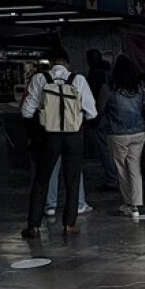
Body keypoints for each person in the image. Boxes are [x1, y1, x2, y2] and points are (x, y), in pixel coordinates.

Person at [20, 47, 97, 238]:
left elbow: (26, 112)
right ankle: (69, 224)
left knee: (41, 180)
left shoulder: (40, 79)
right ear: (67, 63)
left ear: (51, 62)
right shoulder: (78, 80)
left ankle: (33, 225)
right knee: (72, 180)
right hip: (73, 137)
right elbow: (92, 112)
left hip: (49, 137)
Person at [104, 55, 145, 219]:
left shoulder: (111, 92)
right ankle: (136, 205)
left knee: (122, 169)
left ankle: (129, 204)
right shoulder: (139, 90)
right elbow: (144, 108)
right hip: (138, 133)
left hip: (118, 134)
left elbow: (102, 109)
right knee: (135, 168)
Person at [86, 49, 117, 191]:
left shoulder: (95, 74)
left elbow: (96, 95)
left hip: (101, 114)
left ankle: (112, 178)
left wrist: (96, 115)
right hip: (115, 115)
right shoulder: (110, 72)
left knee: (104, 148)